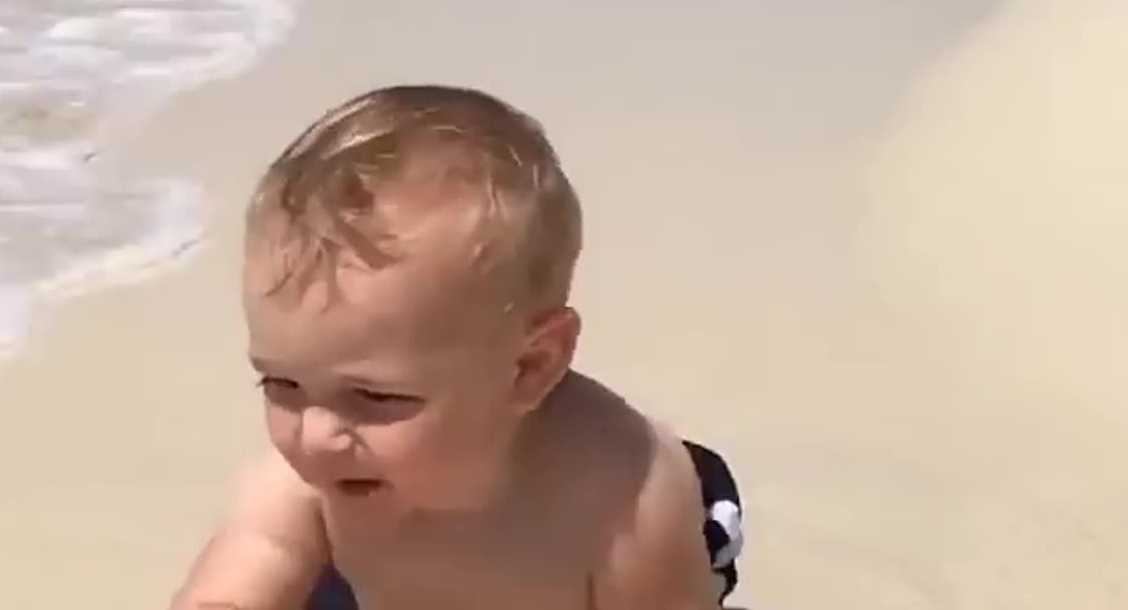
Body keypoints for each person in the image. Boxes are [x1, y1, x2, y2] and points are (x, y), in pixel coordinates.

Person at [169, 85, 744, 610]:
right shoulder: (313, 475)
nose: (313, 434)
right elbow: (229, 589)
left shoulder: (620, 498)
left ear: (528, 367)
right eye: (282, 386)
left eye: (374, 396)